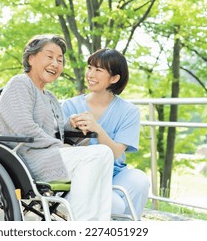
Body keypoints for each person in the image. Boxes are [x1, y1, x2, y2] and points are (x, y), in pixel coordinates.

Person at [0, 34, 114, 221]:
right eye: (49, 57)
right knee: (98, 154)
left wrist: (70, 124)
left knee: (104, 153)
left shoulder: (49, 96)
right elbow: (23, 128)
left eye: (60, 60)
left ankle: (98, 225)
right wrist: (59, 146)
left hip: (48, 156)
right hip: (26, 159)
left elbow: (54, 130)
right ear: (31, 58)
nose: (55, 64)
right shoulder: (20, 83)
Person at [62, 48, 150, 220]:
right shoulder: (70, 107)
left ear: (114, 78)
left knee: (140, 181)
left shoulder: (128, 111)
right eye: (89, 68)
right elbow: (61, 146)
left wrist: (97, 128)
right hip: (82, 175)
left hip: (115, 173)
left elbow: (117, 153)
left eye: (98, 70)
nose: (90, 74)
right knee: (115, 203)